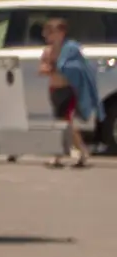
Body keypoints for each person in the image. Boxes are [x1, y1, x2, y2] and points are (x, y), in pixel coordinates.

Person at [42, 16, 98, 169]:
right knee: (61, 123)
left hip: (69, 90)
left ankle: (78, 152)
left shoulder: (70, 50)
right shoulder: (48, 51)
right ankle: (64, 154)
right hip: (54, 90)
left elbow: (79, 68)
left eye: (52, 32)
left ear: (61, 33)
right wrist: (49, 69)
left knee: (67, 122)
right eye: (47, 33)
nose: (48, 36)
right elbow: (42, 68)